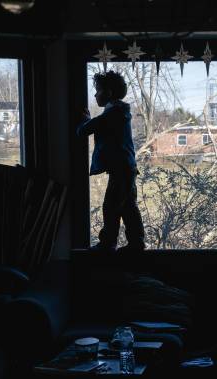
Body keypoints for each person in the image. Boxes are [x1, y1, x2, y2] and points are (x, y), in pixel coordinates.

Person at [77, 71, 145, 251]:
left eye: (97, 90)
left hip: (121, 169)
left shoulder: (114, 113)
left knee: (111, 206)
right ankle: (136, 243)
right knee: (128, 206)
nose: (95, 94)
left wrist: (85, 121)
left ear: (108, 92)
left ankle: (108, 243)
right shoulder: (119, 112)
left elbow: (83, 131)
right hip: (126, 168)